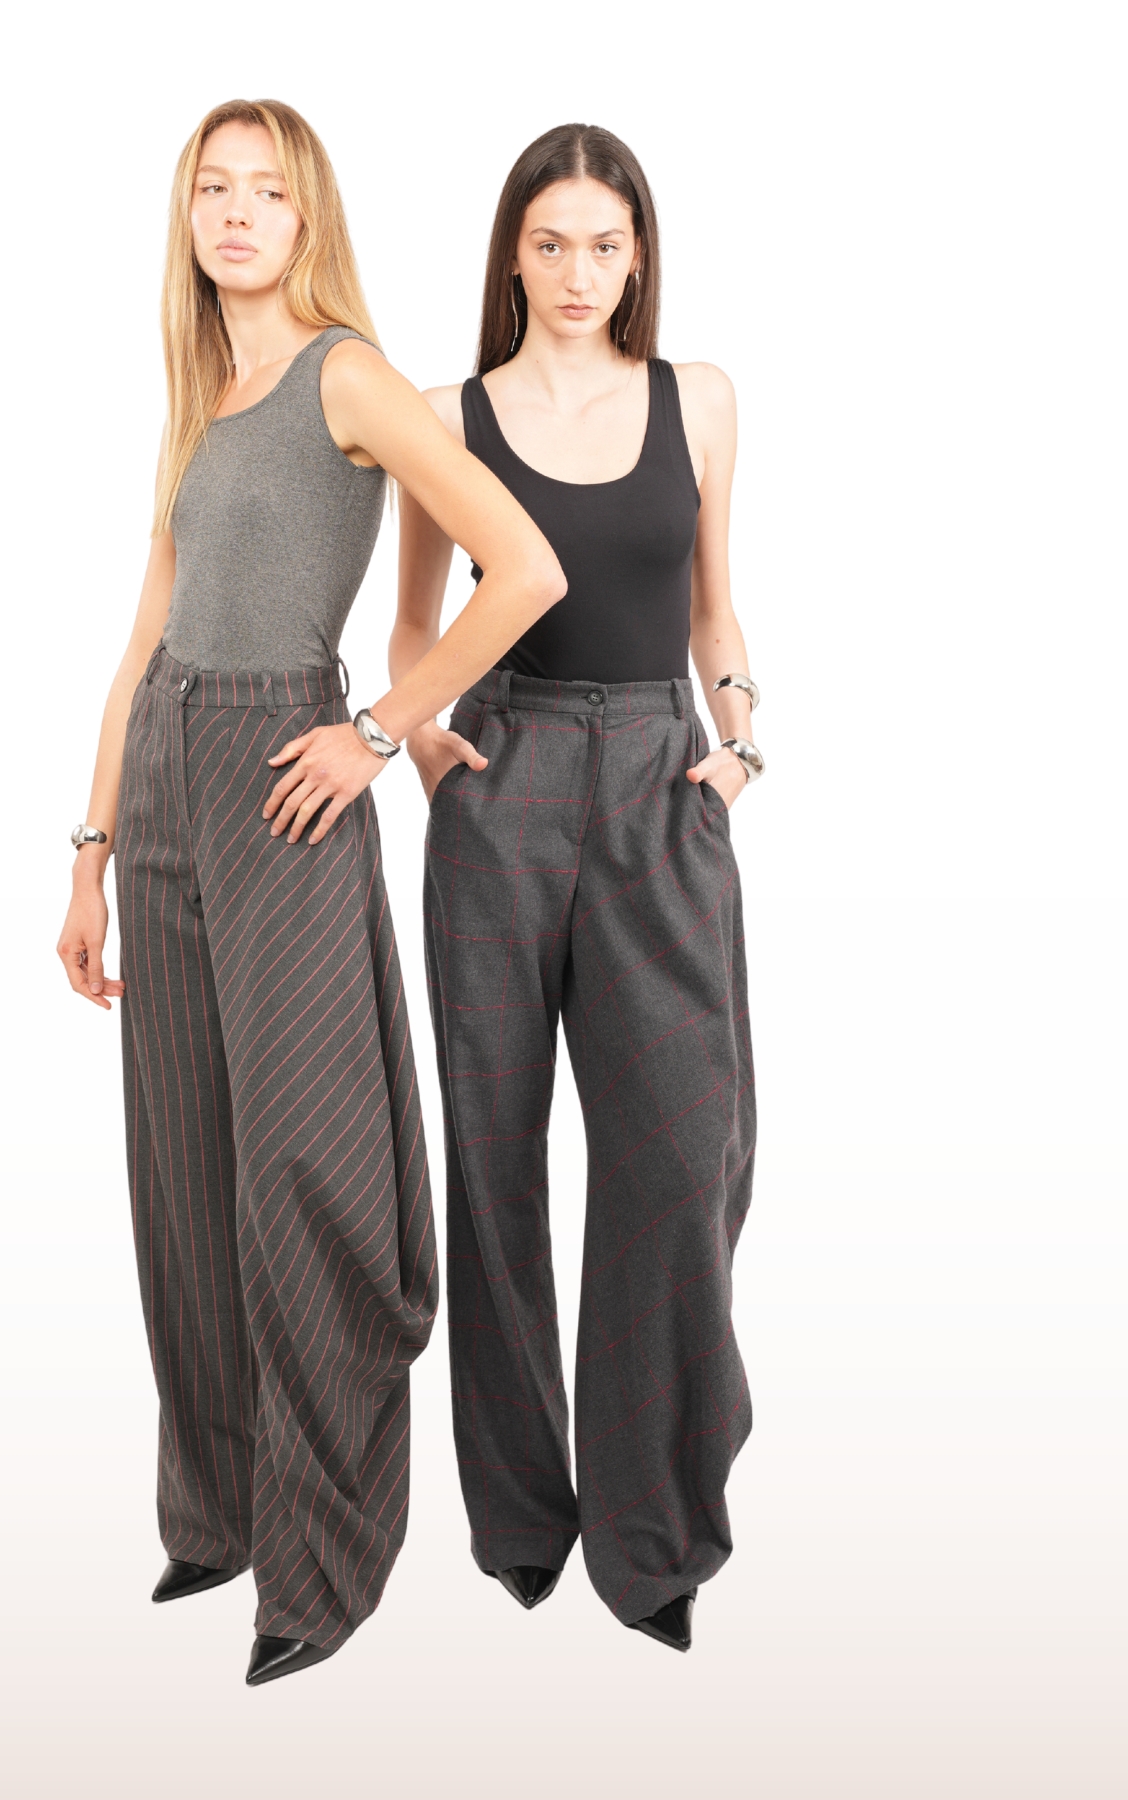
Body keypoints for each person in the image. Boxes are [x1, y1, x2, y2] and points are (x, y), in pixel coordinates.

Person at [56, 99, 564, 1687]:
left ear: (307, 216)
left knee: (301, 1174)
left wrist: (377, 730)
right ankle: (216, 1518)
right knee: (183, 1166)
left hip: (286, 769)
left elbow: (524, 565)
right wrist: (88, 851)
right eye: (212, 188)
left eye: (265, 192)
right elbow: (142, 640)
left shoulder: (347, 375)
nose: (235, 213)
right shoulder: (199, 392)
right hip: (164, 780)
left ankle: (323, 1562)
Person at [394, 123, 761, 1654]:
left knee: (683, 1157)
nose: (576, 271)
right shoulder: (446, 416)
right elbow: (414, 626)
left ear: (639, 256)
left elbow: (715, 609)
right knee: (495, 1163)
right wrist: (428, 752)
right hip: (506, 779)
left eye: (604, 245)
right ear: (512, 256)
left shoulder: (700, 400)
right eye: (549, 244)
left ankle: (653, 1528)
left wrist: (743, 745)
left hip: (663, 783)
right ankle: (522, 1520)